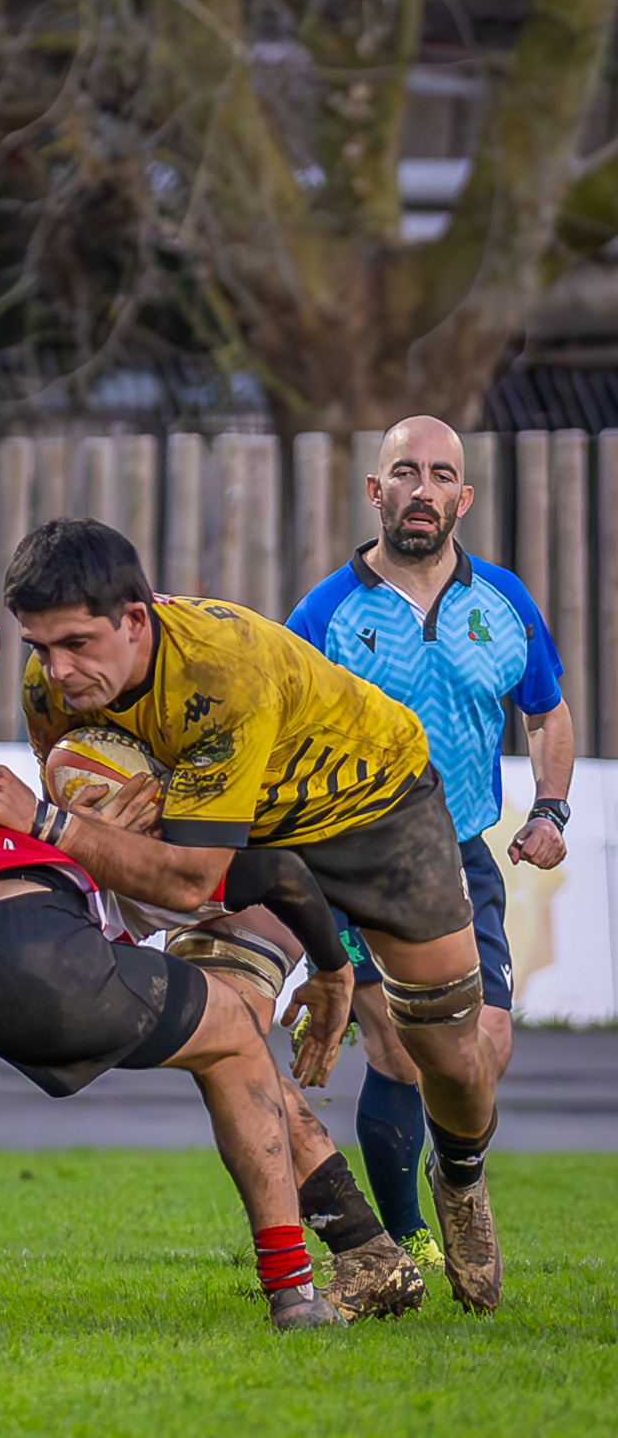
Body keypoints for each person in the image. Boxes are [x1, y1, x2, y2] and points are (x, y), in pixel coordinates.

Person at [4, 518, 505, 1314]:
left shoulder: (216, 669)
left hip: (376, 809)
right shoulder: (51, 690)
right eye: (38, 646)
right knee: (222, 1029)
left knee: (449, 1057)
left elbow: (181, 877)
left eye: (75, 644)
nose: (57, 671)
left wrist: (52, 823)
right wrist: (101, 822)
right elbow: (138, 855)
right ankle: (366, 1251)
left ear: (135, 618)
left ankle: (463, 1174)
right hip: (250, 837)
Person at [0, 807, 421, 1322]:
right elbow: (274, 875)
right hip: (47, 958)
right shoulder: (91, 845)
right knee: (236, 1040)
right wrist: (334, 968)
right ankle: (293, 1294)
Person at [286, 415, 572, 1264]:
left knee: (484, 1047)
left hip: (463, 859)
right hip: (354, 862)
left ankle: (459, 1179)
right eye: (404, 473)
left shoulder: (504, 602)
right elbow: (282, 736)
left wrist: (550, 810)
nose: (422, 489)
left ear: (464, 498)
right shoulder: (324, 614)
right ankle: (405, 1244)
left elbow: (547, 712)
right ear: (376, 492)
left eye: (441, 475)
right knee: (401, 1051)